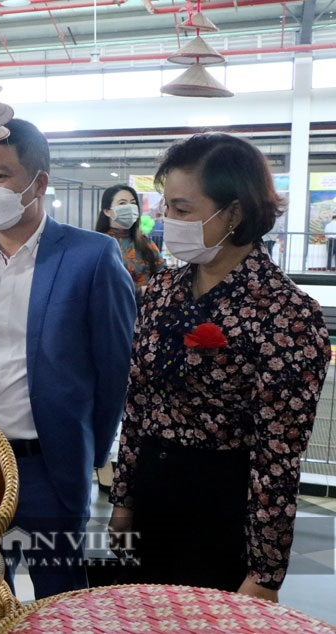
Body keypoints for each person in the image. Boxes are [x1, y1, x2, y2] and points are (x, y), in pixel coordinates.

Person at [108, 133, 330, 601]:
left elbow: (278, 454)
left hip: (222, 505)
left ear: (234, 212)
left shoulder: (284, 312)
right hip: (152, 489)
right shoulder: (165, 288)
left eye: (183, 210)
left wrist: (266, 571)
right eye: (166, 207)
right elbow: (139, 400)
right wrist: (123, 497)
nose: (169, 222)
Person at [0, 119, 135, 599]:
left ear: (38, 183)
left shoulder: (91, 256)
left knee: (61, 593)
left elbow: (114, 368)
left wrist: (92, 451)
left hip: (50, 461)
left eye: (1, 175)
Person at [94, 184, 164, 305]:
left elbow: (162, 274)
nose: (130, 207)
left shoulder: (145, 242)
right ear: (107, 211)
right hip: (112, 311)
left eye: (133, 203)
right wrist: (138, 291)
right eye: (122, 203)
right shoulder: (97, 244)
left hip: (146, 313)